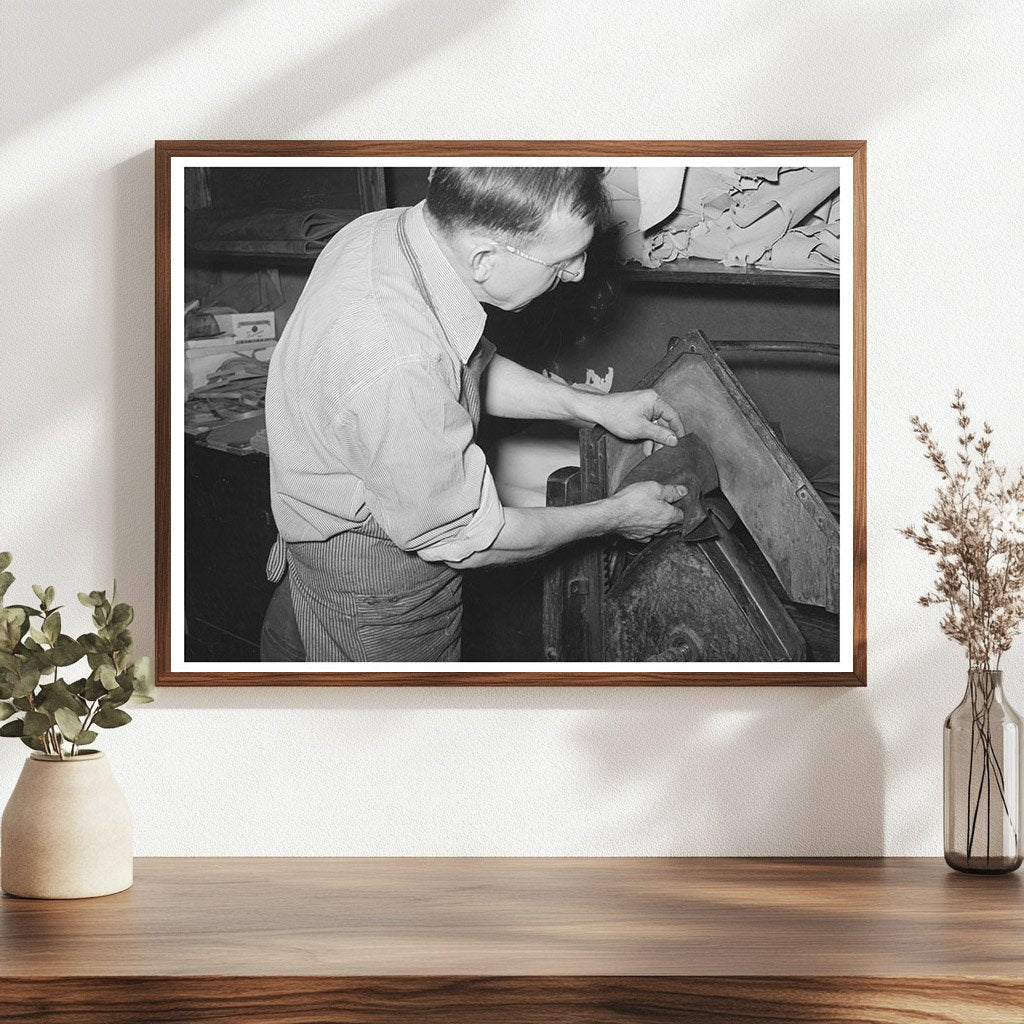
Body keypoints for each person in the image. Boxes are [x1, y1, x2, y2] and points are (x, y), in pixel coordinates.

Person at [260, 167, 688, 662]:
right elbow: (471, 540)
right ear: (484, 258)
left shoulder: (388, 231)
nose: (576, 274)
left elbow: (459, 367)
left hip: (317, 551)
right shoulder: (397, 359)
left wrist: (593, 407)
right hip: (376, 589)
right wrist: (617, 516)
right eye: (564, 260)